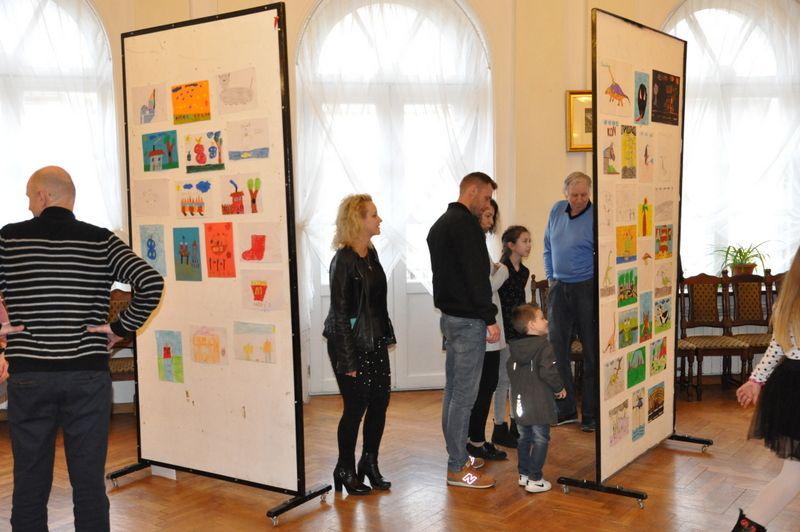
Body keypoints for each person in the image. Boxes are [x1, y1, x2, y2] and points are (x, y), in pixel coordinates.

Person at [0, 166, 164, 531]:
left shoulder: (9, 239)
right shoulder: (100, 240)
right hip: (87, 377)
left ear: (43, 196)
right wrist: (118, 330)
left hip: (30, 377)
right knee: (89, 483)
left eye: (29, 197)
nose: (28, 206)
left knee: (29, 481)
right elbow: (150, 282)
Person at [427, 171, 500, 489]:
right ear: (471, 190)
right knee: (464, 397)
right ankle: (457, 466)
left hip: (450, 318)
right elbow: (475, 278)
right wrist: (489, 317)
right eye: (485, 197)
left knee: (453, 392)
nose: (487, 204)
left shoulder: (440, 224)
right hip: (469, 321)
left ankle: (457, 456)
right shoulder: (467, 226)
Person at [323, 194, 396, 495]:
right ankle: (344, 467)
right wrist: (348, 360)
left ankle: (369, 462)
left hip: (374, 339)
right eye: (374, 215)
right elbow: (340, 314)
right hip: (350, 344)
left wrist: (384, 335)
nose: (379, 220)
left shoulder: (371, 254)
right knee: (355, 407)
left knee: (379, 402)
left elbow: (376, 303)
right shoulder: (343, 260)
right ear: (358, 220)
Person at [733, 246, 800, 531]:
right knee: (793, 475)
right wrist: (756, 380)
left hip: (790, 385)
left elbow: (777, 345)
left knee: (793, 475)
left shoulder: (789, 301)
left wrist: (756, 380)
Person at [543, 171, 597, 432]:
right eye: (574, 195)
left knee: (591, 353)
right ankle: (565, 410)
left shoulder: (596, 215)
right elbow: (547, 247)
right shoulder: (556, 210)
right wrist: (551, 277)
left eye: (584, 194)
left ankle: (591, 414)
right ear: (565, 193)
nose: (579, 200)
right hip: (559, 288)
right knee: (557, 352)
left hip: (586, 288)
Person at [507, 304, 566, 493]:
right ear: (532, 325)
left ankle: (523, 474)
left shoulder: (514, 348)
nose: (546, 321)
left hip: (520, 403)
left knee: (524, 438)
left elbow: (510, 370)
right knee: (540, 439)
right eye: (542, 318)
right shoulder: (544, 346)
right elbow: (548, 371)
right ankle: (535, 478)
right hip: (540, 403)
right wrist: (559, 388)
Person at [466, 199, 508, 461]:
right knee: (483, 386)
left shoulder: (479, 244)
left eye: (493, 216)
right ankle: (475, 440)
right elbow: (484, 286)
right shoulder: (472, 245)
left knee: (487, 385)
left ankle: (476, 438)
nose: (491, 222)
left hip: (491, 325)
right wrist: (502, 271)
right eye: (488, 215)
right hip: (484, 326)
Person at [492, 225, 532, 448]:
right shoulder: (503, 269)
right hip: (504, 332)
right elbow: (490, 293)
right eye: (524, 241)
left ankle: (516, 423)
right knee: (503, 381)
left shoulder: (524, 272)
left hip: (518, 332)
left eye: (529, 241)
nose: (528, 245)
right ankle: (499, 426)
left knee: (517, 381)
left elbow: (521, 303)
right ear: (511, 245)